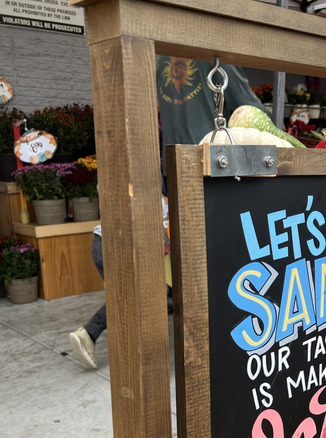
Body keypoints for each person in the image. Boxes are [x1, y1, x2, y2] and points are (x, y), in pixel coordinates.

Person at [69, 58, 265, 369]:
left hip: (171, 170)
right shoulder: (216, 56)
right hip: (212, 168)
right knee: (199, 266)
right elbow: (251, 112)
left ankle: (108, 332)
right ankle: (212, 351)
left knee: (167, 272)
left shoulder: (160, 60)